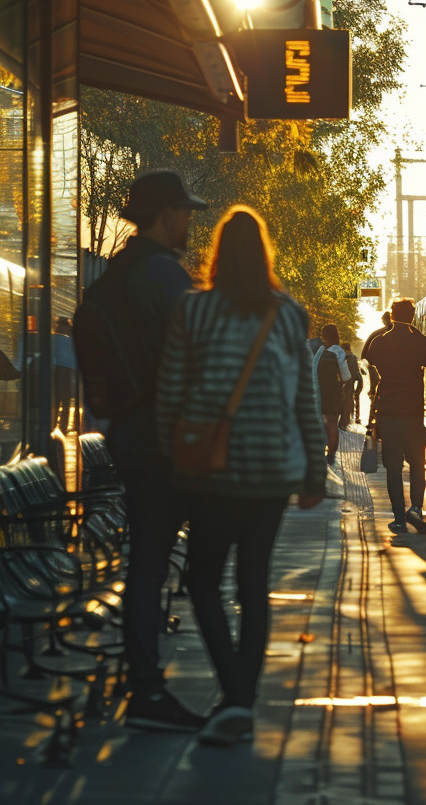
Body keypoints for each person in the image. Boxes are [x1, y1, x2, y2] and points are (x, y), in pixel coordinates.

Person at [155, 206, 326, 748]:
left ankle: (233, 695)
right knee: (255, 584)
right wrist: (314, 471)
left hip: (211, 475)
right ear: (265, 254)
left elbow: (170, 393)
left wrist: (176, 455)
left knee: (202, 580)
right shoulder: (288, 314)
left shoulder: (194, 310)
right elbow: (306, 400)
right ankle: (241, 702)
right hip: (273, 474)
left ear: (219, 253)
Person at [99, 170, 206, 731]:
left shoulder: (118, 271)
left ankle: (142, 679)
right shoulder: (164, 276)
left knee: (148, 561)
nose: (190, 221)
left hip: (130, 433)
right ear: (166, 215)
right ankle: (146, 688)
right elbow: (196, 355)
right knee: (154, 565)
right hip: (165, 440)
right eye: (185, 212)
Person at [365, 298, 426, 535]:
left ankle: (399, 517)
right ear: (412, 316)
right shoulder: (417, 340)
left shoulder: (381, 342)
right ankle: (416, 508)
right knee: (418, 464)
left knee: (393, 467)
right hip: (413, 413)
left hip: (388, 413)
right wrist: (415, 332)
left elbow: (372, 359)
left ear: (391, 314)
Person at [311, 325, 350, 465]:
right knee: (332, 423)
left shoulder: (318, 351)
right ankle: (331, 456)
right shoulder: (338, 352)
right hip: (334, 394)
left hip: (318, 391)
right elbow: (346, 376)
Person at [51, 316, 77, 432]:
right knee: (59, 399)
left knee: (60, 399)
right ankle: (58, 426)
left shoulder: (54, 339)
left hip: (62, 370)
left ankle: (60, 426)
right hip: (61, 369)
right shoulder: (68, 340)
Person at [361, 310, 392, 401]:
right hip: (383, 364)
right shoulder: (379, 334)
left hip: (376, 363)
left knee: (376, 382)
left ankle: (374, 398)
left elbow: (365, 353)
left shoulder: (376, 334)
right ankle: (375, 397)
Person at [340, 342, 362, 428]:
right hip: (350, 381)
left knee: (348, 400)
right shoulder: (351, 357)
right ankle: (350, 419)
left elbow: (353, 371)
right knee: (349, 401)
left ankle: (348, 420)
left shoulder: (351, 358)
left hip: (350, 382)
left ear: (346, 350)